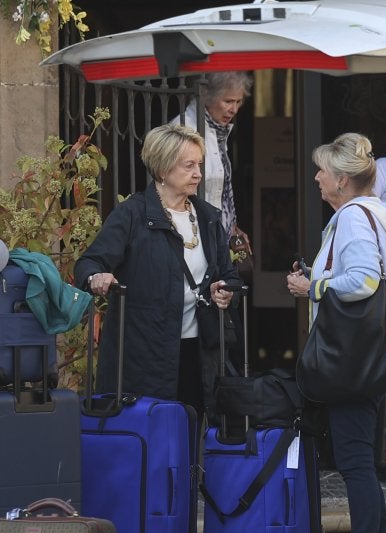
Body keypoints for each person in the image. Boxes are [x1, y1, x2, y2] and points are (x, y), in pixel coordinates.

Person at [287, 133, 386, 533]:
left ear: (342, 179)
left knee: (354, 463)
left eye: (322, 172)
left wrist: (310, 284)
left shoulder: (353, 217)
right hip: (378, 359)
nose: (316, 178)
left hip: (352, 361)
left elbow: (362, 280)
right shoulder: (382, 213)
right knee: (366, 465)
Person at [75, 121, 239, 417]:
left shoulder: (208, 217)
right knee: (150, 440)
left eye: (199, 164)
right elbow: (89, 262)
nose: (198, 174)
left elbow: (228, 277)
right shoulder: (132, 215)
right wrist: (96, 277)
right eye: (188, 165)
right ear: (163, 169)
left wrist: (224, 292)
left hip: (198, 352)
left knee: (193, 436)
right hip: (144, 354)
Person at [172, 71, 253, 253]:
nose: (234, 109)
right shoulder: (185, 129)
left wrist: (231, 225)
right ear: (208, 97)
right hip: (193, 238)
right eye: (228, 101)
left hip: (216, 236)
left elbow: (218, 191)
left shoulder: (217, 130)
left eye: (238, 102)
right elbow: (173, 190)